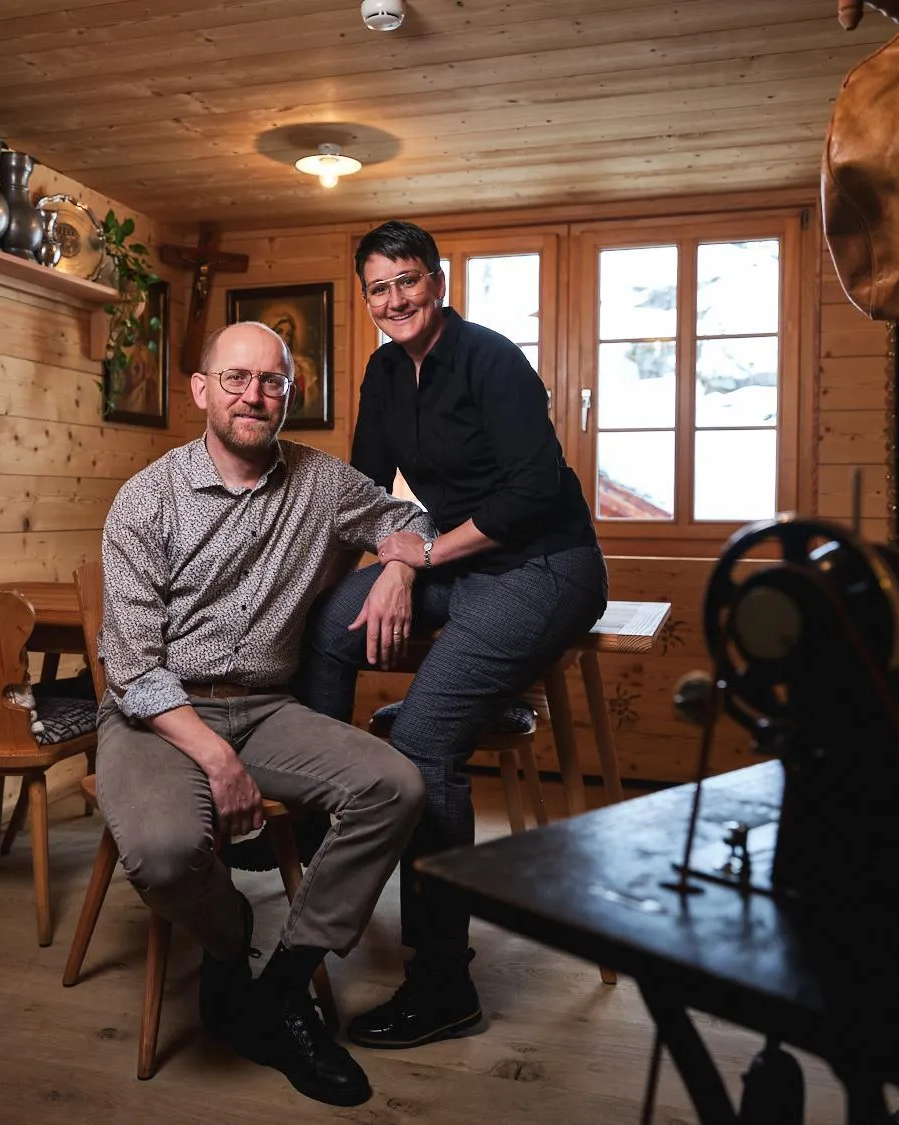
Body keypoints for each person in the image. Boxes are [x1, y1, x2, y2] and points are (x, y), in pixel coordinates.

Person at [95, 320, 436, 1106]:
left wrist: (397, 573)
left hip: (265, 705)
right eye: (238, 378)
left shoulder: (320, 482)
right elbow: (135, 670)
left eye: (273, 381)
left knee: (396, 785)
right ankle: (230, 942)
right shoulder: (148, 499)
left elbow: (408, 519)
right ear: (202, 390)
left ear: (290, 393)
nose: (255, 394)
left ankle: (283, 987)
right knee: (164, 851)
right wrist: (217, 760)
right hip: (160, 715)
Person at [294, 220, 609, 1050]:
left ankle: (443, 984)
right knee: (329, 625)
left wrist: (422, 552)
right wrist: (396, 566)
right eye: (378, 288)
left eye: (406, 280)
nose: (394, 299)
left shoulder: (491, 356)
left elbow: (532, 493)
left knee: (424, 736)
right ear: (367, 300)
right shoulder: (384, 371)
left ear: (437, 280)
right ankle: (323, 825)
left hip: (545, 564)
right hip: (449, 559)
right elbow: (365, 493)